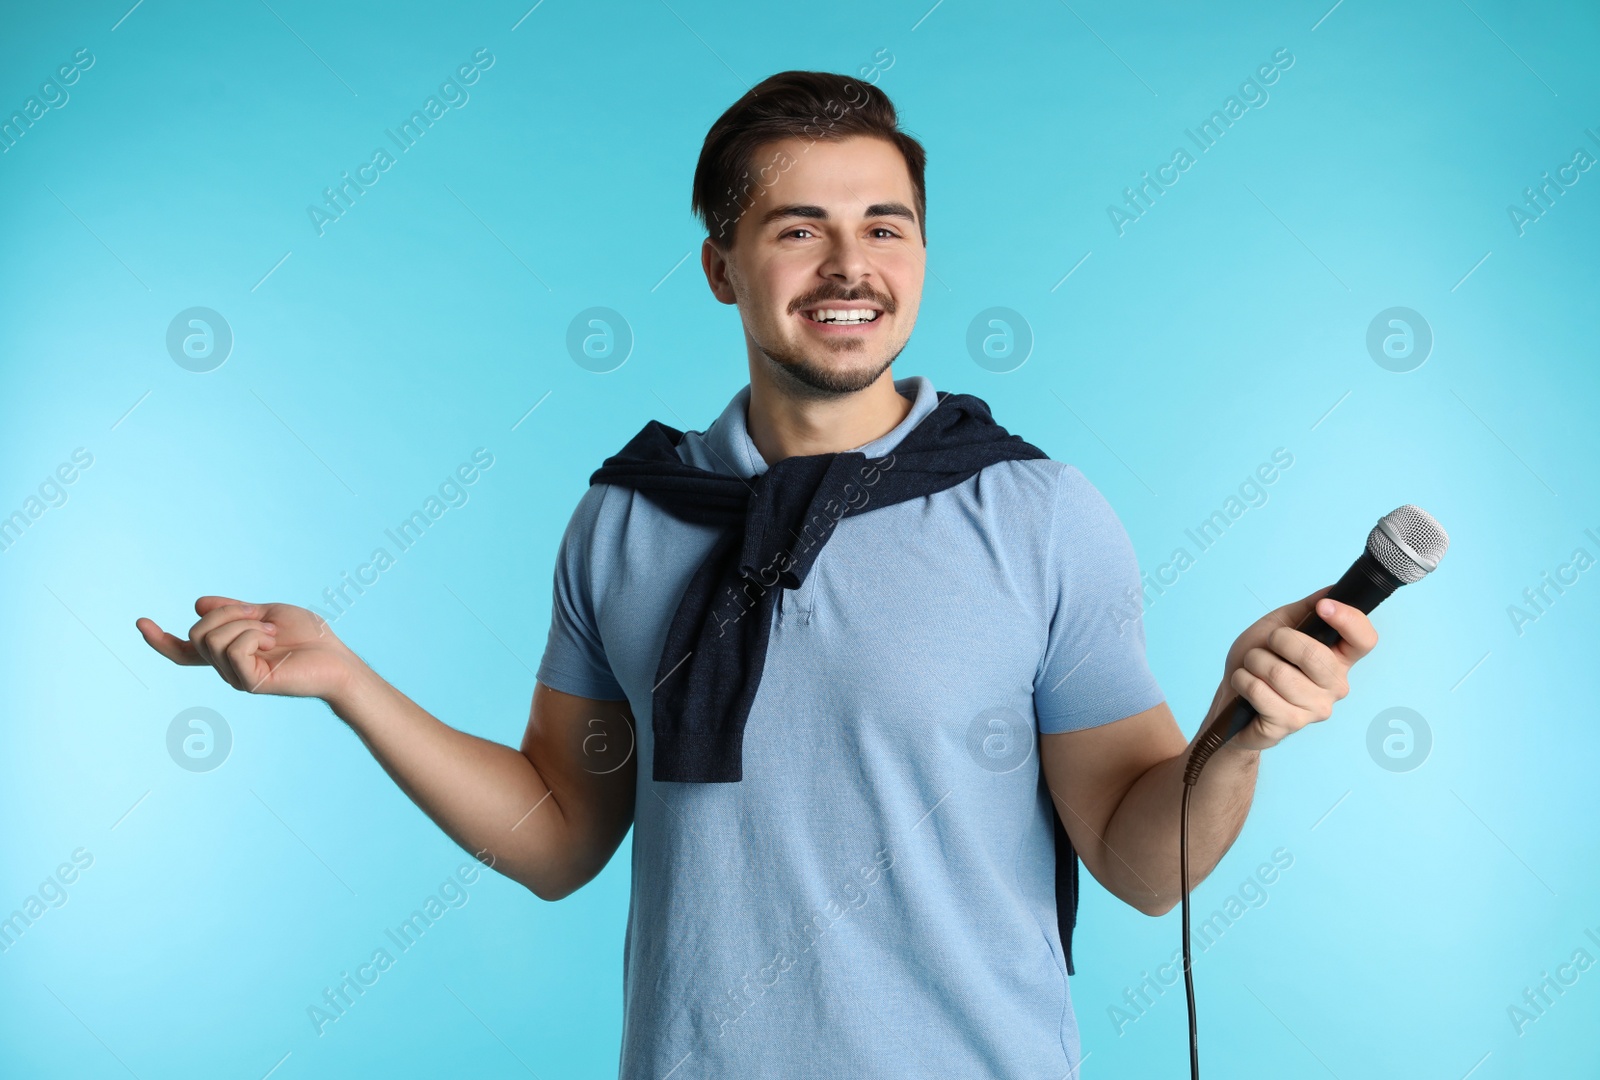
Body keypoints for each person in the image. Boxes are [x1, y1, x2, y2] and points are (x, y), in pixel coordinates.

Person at [137, 70, 1378, 1079]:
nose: (851, 268)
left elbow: (1140, 864)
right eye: (800, 229)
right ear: (723, 266)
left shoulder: (1036, 513)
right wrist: (350, 682)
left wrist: (1238, 738)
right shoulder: (624, 519)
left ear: (922, 253)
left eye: (883, 226)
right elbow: (563, 834)